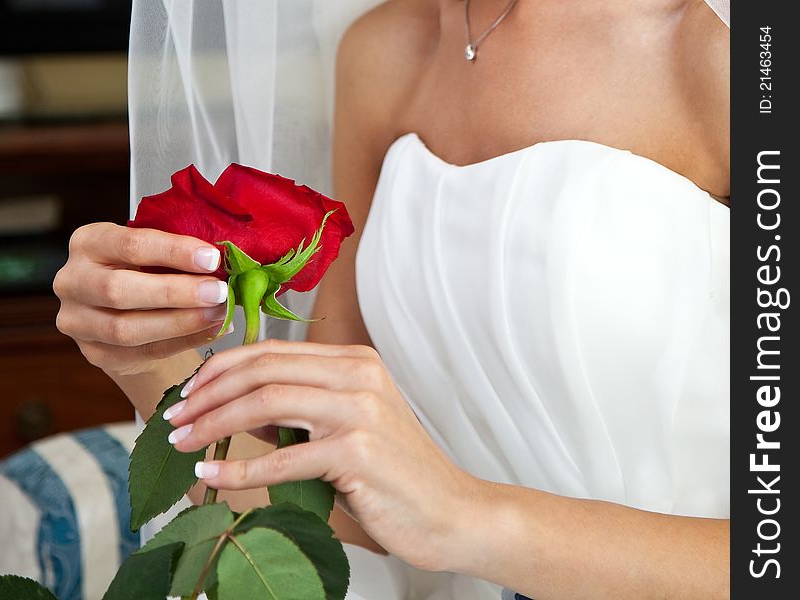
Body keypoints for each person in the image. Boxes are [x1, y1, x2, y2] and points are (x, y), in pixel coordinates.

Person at [54, 0, 729, 597]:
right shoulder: (385, 49)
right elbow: (329, 518)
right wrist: (148, 364)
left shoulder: (736, 51)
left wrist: (466, 517)